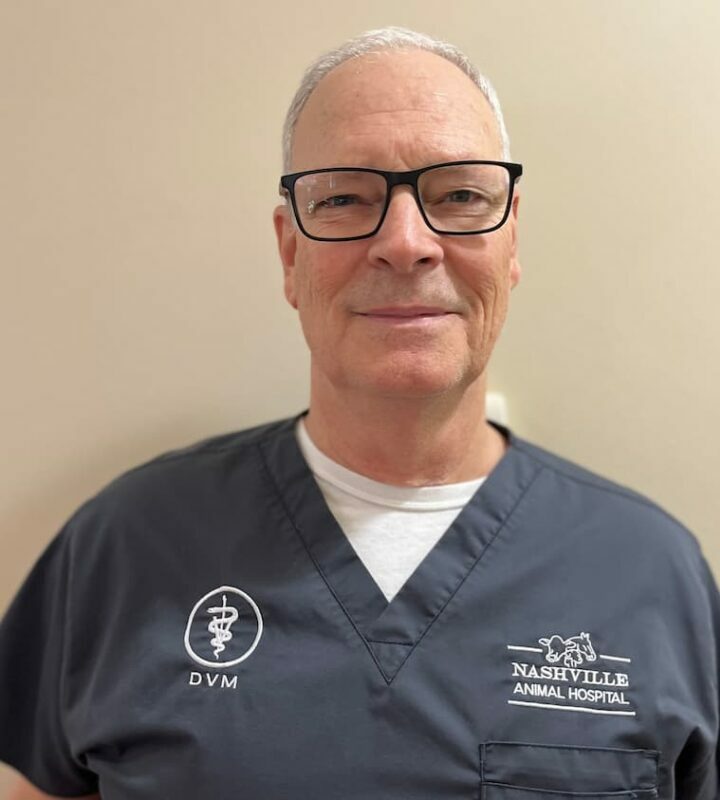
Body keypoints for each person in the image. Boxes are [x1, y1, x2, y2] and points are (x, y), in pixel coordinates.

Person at [1, 25, 718, 800]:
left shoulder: (651, 572)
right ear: (289, 253)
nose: (406, 243)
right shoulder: (129, 543)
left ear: (511, 240)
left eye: (461, 196)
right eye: (345, 197)